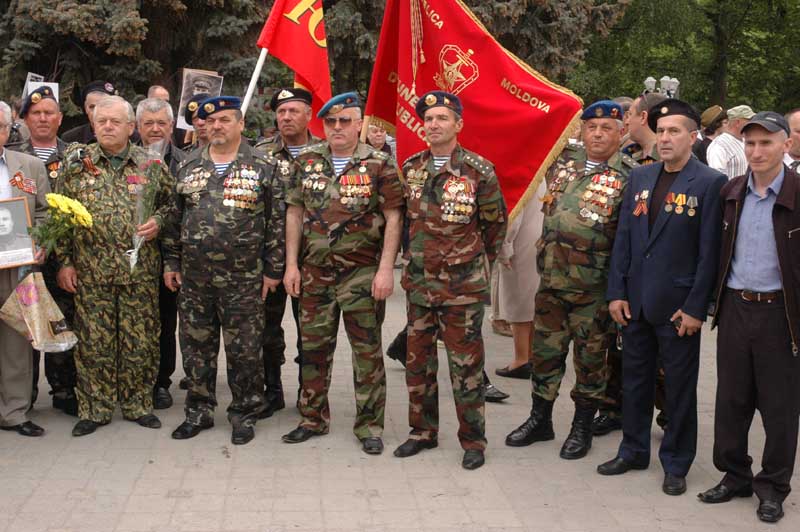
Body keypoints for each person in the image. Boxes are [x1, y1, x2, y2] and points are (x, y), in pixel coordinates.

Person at [597, 99, 727, 496]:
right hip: (635, 302)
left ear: (693, 136)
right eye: (662, 131)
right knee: (634, 382)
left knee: (679, 389)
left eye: (675, 131)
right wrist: (617, 292)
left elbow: (710, 253)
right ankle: (633, 450)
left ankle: (676, 462)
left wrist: (696, 308)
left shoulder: (709, 182)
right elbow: (624, 239)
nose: (666, 138)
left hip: (677, 308)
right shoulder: (641, 176)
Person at [505, 100, 636, 460]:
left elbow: (629, 240)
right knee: (545, 355)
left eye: (606, 128)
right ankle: (540, 419)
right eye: (591, 127)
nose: (598, 134)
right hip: (551, 282)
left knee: (590, 362)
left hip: (593, 290)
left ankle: (582, 427)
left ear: (620, 133)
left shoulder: (630, 177)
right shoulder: (565, 165)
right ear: (582, 130)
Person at [281, 92, 403, 455]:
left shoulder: (379, 163)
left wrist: (386, 269)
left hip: (362, 274)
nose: (337, 127)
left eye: (345, 120)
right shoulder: (307, 161)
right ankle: (312, 419)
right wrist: (291, 265)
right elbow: (294, 214)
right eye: (330, 121)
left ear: (359, 124)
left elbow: (394, 218)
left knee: (367, 353)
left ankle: (369, 426)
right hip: (315, 273)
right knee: (313, 349)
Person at [393, 91, 507, 470]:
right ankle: (422, 432)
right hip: (419, 286)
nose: (434, 124)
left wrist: (471, 264)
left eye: (442, 118)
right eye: (428, 119)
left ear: (458, 124)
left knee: (465, 368)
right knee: (418, 364)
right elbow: (407, 222)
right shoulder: (412, 167)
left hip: (461, 289)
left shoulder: (479, 170)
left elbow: (494, 226)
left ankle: (473, 440)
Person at [163, 96, 285, 446]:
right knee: (196, 348)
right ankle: (198, 411)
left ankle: (244, 412)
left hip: (244, 279)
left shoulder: (263, 166)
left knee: (245, 351)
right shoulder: (188, 165)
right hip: (195, 279)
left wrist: (273, 270)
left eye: (225, 120)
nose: (216, 126)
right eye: (211, 120)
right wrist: (171, 262)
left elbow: (277, 223)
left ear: (241, 124)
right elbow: (173, 219)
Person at [697, 112, 799, 524]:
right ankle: (735, 474)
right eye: (751, 143)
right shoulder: (732, 192)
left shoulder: (796, 194)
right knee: (731, 399)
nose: (757, 152)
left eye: (766, 143)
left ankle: (772, 487)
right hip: (736, 308)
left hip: (781, 314)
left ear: (785, 145)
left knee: (779, 407)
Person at [55, 95, 174, 437]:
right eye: (101, 121)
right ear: (93, 125)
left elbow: (171, 206)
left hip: (139, 273)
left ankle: (138, 404)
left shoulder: (151, 164)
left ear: (131, 127)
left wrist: (158, 221)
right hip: (92, 273)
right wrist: (64, 262)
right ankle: (96, 408)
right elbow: (61, 217)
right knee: (94, 344)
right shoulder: (76, 165)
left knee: (140, 342)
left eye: (115, 121)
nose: (107, 126)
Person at [10, 86, 79, 416]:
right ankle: (25, 392)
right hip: (19, 256)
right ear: (25, 119)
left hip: (61, 256)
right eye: (35, 113)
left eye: (48, 113)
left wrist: (61, 253)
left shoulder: (76, 155)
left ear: (60, 118)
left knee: (61, 319)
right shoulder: (11, 155)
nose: (42, 118)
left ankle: (63, 388)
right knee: (24, 324)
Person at [254, 88, 319, 418]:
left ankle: (309, 395)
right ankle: (272, 391)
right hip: (268, 258)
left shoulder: (324, 153)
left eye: (293, 111)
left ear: (308, 114)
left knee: (311, 331)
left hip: (311, 260)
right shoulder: (260, 153)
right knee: (266, 330)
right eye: (281, 112)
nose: (286, 117)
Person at [0, 100, 49, 437]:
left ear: (8, 130)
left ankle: (14, 412)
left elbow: (44, 211)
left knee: (16, 342)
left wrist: (41, 241)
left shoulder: (29, 166)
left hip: (16, 263)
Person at [136, 97, 186, 410]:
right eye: (148, 123)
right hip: (134, 258)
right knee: (136, 323)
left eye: (161, 123)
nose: (155, 129)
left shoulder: (186, 162)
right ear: (137, 127)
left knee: (167, 323)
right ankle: (134, 380)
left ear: (171, 126)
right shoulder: (127, 159)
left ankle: (161, 383)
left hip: (172, 259)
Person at [493, 194, 545, 380]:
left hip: (520, 241)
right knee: (530, 300)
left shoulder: (521, 175)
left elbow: (512, 215)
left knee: (518, 300)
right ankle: (530, 357)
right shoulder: (538, 174)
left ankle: (521, 360)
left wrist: (504, 247)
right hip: (537, 236)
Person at [61, 80, 118, 144]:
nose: (97, 112)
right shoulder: (70, 138)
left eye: (102, 106)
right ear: (86, 109)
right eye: (92, 107)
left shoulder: (124, 134)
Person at [707, 105, 754, 179]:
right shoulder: (719, 145)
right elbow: (716, 178)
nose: (752, 123)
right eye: (749, 120)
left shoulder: (746, 141)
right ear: (737, 122)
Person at [623, 92, 668, 165]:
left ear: (643, 117)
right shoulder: (627, 153)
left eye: (630, 114)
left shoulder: (672, 158)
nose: (626, 122)